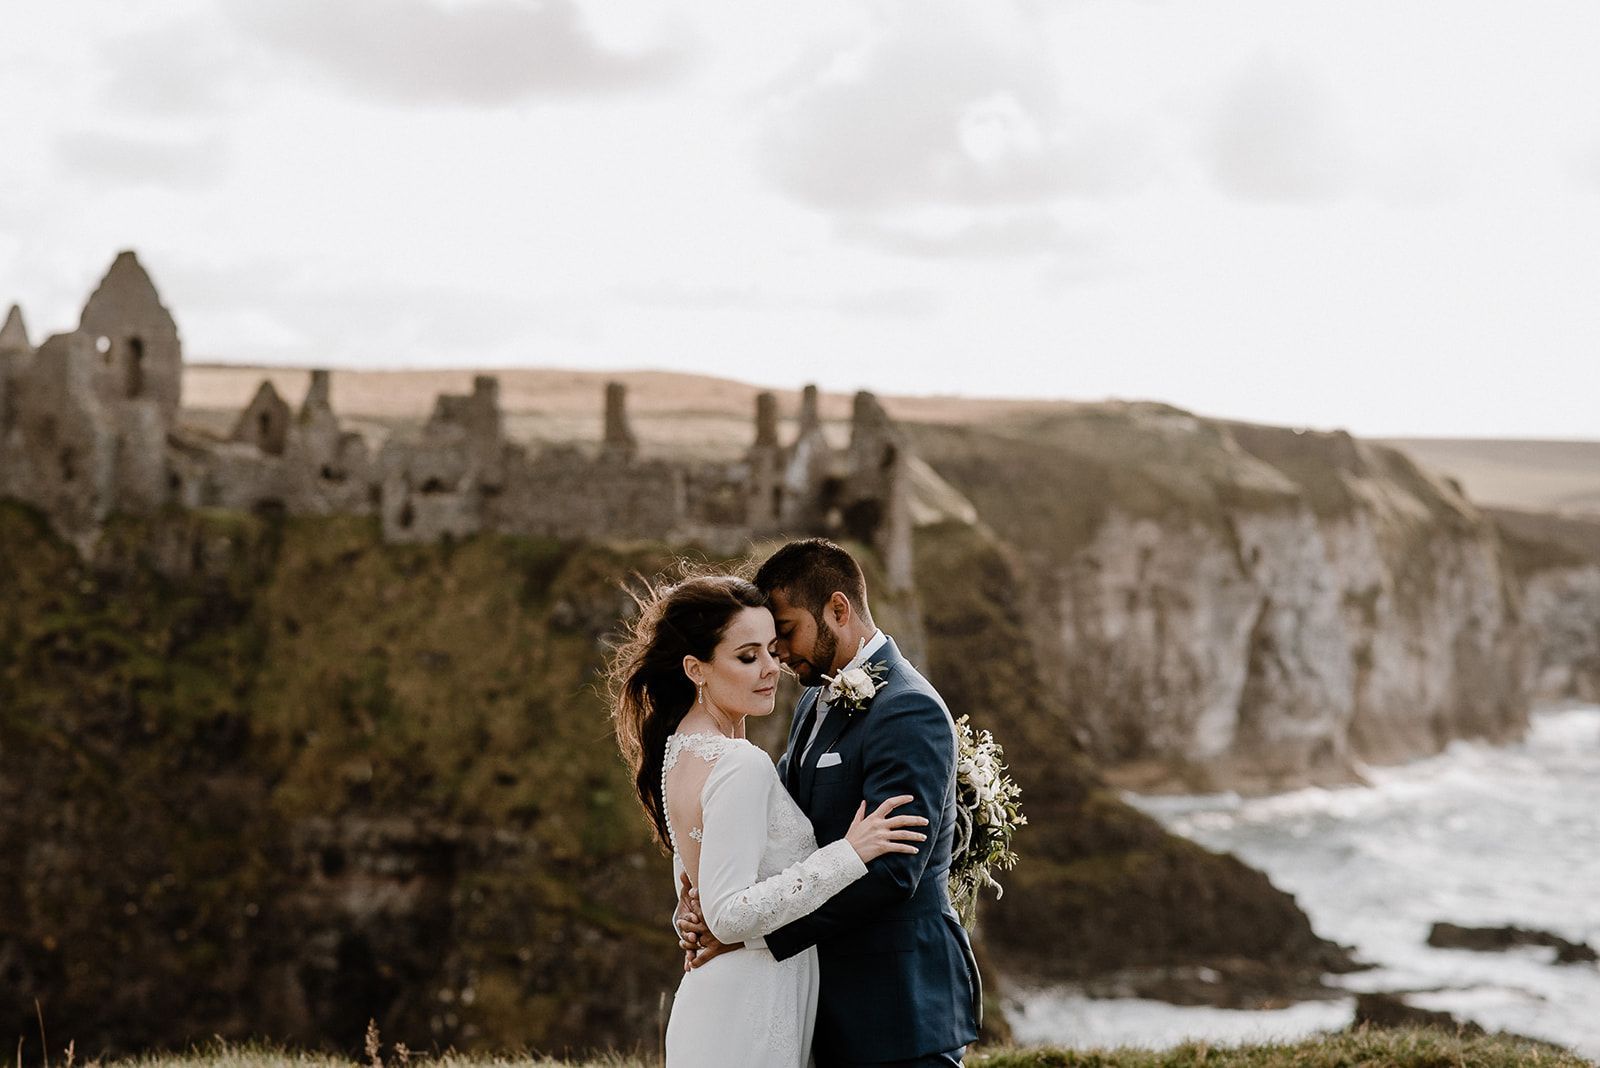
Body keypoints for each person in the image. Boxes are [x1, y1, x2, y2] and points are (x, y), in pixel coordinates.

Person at [676, 540, 981, 1066]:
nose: (778, 654)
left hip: (898, 1004)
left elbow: (894, 873)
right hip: (830, 1001)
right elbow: (780, 828)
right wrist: (707, 902)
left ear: (838, 610)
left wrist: (751, 936)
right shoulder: (814, 700)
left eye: (786, 631)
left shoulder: (908, 708)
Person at [609, 573, 929, 1067]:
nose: (770, 669)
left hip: (719, 996)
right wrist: (849, 853)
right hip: (750, 1003)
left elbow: (701, 884)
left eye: (771, 651)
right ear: (696, 669)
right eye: (747, 656)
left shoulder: (678, 752)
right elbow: (728, 914)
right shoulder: (740, 764)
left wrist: (688, 915)